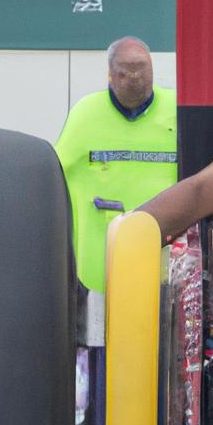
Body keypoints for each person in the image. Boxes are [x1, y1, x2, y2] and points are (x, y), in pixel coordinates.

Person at [55, 37, 178, 292]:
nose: (134, 77)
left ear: (154, 71)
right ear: (109, 74)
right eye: (126, 71)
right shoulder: (86, 114)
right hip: (98, 274)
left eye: (141, 69)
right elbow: (54, 174)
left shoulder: (176, 111)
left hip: (164, 269)